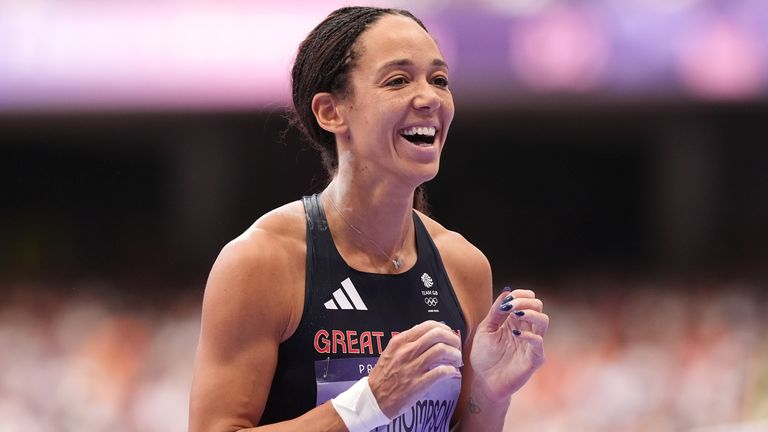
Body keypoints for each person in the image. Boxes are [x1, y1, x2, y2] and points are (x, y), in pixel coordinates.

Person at [188, 6, 548, 432]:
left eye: (439, 80)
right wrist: (367, 404)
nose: (430, 97)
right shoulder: (263, 262)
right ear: (331, 112)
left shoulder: (463, 265)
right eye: (398, 80)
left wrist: (491, 394)